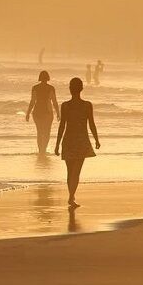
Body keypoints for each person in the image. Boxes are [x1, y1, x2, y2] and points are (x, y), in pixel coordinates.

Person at [54, 78, 100, 207]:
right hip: (81, 140)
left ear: (70, 89)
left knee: (70, 172)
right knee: (76, 171)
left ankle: (71, 196)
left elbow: (62, 126)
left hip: (68, 140)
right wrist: (96, 139)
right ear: (81, 89)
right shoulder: (87, 105)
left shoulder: (65, 105)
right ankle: (71, 197)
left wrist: (57, 144)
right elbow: (91, 124)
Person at [26, 70, 60, 154]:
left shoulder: (35, 88)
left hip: (37, 112)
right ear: (48, 78)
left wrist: (28, 113)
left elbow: (32, 101)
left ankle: (40, 150)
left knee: (39, 132)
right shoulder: (51, 88)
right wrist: (58, 113)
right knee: (47, 132)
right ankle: (43, 150)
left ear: (40, 78)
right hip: (47, 113)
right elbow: (54, 102)